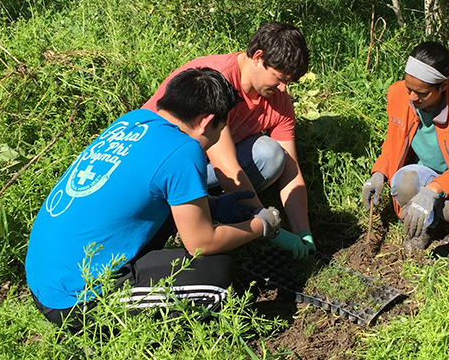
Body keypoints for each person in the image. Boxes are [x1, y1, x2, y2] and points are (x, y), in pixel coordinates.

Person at [25, 68, 284, 332]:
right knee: (217, 276)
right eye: (219, 130)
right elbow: (201, 243)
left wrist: (214, 206)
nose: (215, 141)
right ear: (206, 122)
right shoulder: (184, 149)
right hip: (74, 302)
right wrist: (261, 224)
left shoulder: (134, 120)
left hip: (43, 274)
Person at [142, 22, 314, 259]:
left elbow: (291, 170)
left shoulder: (277, 98)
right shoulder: (216, 82)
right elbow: (226, 166)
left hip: (200, 163)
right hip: (160, 162)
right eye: (279, 78)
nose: (284, 89)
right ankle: (192, 217)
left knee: (272, 155)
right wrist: (267, 224)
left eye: (289, 82)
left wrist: (303, 231)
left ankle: (216, 208)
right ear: (258, 57)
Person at [362, 41, 449, 253]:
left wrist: (432, 191)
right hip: (426, 171)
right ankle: (426, 225)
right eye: (409, 88)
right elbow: (394, 141)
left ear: (443, 86)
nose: (412, 97)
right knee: (402, 183)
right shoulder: (398, 94)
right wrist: (379, 173)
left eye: (422, 93)